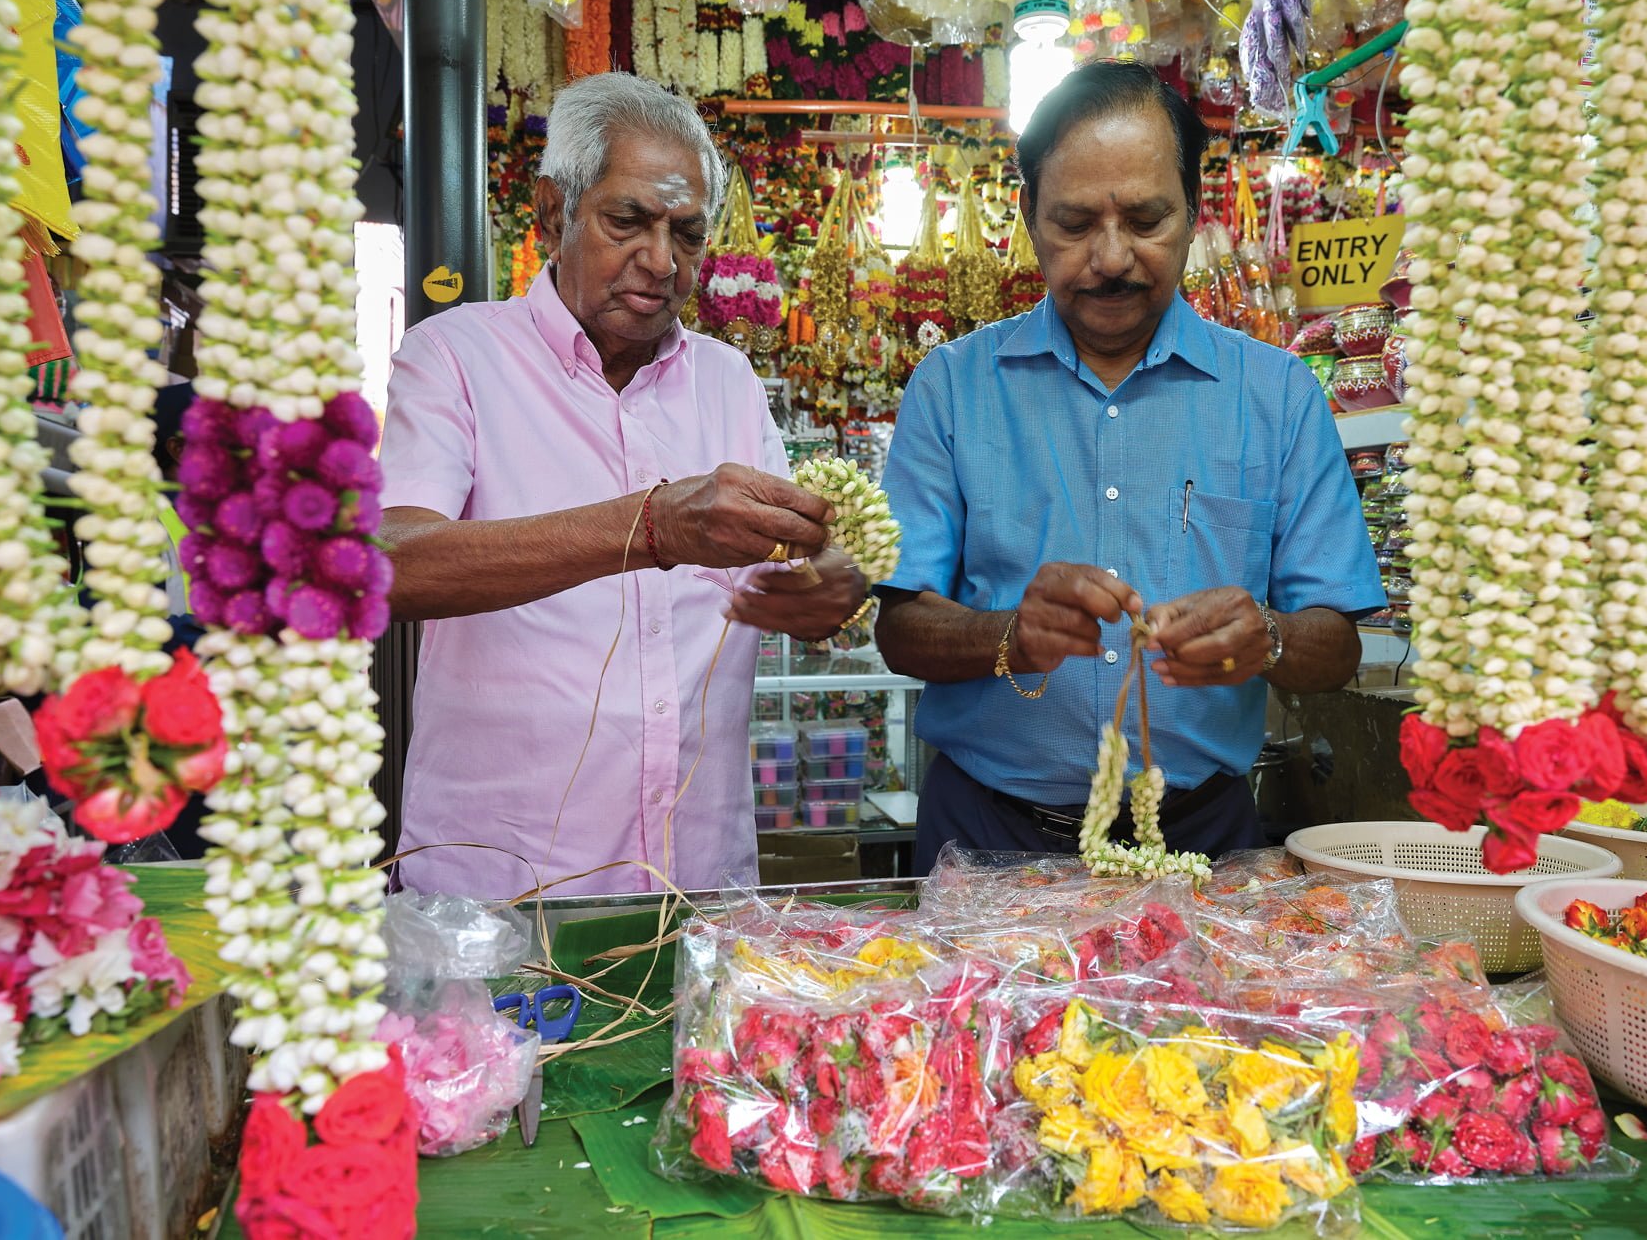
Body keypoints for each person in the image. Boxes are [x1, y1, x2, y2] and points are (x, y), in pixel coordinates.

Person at [874, 62, 1385, 866]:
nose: (1111, 257)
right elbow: (900, 629)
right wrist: (1009, 633)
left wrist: (1272, 640)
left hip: (1202, 843)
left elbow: (1340, 642)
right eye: (1075, 223)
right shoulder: (953, 387)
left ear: (1192, 211)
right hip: (988, 840)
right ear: (1028, 215)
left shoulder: (1277, 395)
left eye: (1146, 219)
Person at [378, 73, 867, 899]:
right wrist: (651, 529)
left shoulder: (728, 382)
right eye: (627, 222)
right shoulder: (455, 358)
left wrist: (830, 587)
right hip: (500, 890)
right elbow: (389, 564)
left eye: (687, 233)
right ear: (551, 213)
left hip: (698, 883)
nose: (660, 260)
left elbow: (792, 579)